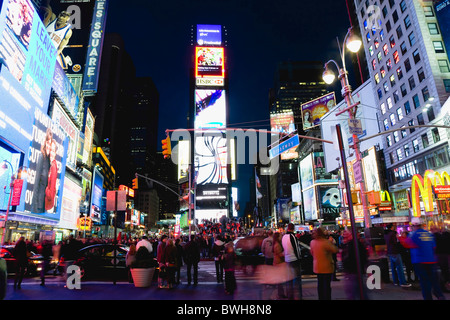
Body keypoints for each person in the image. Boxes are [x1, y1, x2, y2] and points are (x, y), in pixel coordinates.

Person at [400, 218, 446, 300]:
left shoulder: (413, 235)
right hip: (431, 261)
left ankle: (428, 298)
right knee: (434, 281)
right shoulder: (429, 234)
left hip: (420, 261)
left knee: (425, 282)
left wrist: (401, 237)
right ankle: (440, 295)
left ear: (413, 225)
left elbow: (407, 244)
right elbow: (434, 246)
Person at [310, 227, 339, 300]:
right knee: (327, 286)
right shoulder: (326, 242)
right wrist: (331, 242)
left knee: (320, 285)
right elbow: (335, 250)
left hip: (317, 267)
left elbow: (312, 253)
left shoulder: (312, 242)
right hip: (326, 267)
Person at [42, 0, 73, 68]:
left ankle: (66, 60)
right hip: (40, 46)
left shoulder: (68, 31)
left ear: (68, 19)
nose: (61, 18)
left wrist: (52, 58)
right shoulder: (53, 18)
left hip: (50, 53)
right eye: (60, 15)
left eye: (64, 16)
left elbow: (60, 48)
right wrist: (47, 2)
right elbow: (47, 7)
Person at [341, 230, 369, 300]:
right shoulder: (352, 244)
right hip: (354, 271)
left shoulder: (353, 244)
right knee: (359, 292)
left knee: (353, 292)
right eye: (344, 236)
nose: (344, 237)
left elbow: (355, 257)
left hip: (353, 271)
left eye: (346, 235)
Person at [31, 128, 52, 213]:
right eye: (47, 142)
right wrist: (34, 206)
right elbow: (36, 184)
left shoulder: (49, 160)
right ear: (44, 143)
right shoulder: (41, 157)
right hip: (38, 206)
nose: (48, 146)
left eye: (50, 143)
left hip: (45, 205)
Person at [282, 223, 302, 300]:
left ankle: (289, 296)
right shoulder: (292, 236)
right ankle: (298, 297)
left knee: (289, 280)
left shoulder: (283, 237)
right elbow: (296, 249)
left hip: (287, 260)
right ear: (293, 228)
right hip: (294, 259)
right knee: (297, 280)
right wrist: (299, 258)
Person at [45, 139, 58, 212]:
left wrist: (46, 189)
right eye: (50, 150)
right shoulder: (51, 165)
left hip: (48, 205)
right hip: (48, 204)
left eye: (53, 151)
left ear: (55, 153)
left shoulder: (53, 166)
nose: (51, 153)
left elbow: (50, 194)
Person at [273, 231, 286, 299]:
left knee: (280, 281)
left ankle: (281, 293)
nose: (281, 237)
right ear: (278, 237)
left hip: (277, 263)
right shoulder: (277, 245)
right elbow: (280, 255)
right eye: (280, 236)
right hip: (278, 263)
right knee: (280, 281)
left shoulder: (276, 244)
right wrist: (285, 252)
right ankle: (280, 294)